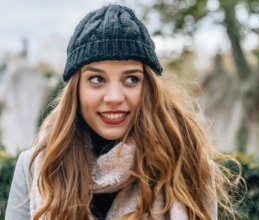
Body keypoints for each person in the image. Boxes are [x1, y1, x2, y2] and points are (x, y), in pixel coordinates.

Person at [5, 4, 241, 220]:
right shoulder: (35, 167)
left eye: (131, 79)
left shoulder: (189, 168)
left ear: (148, 87)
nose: (114, 97)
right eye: (97, 79)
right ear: (75, 89)